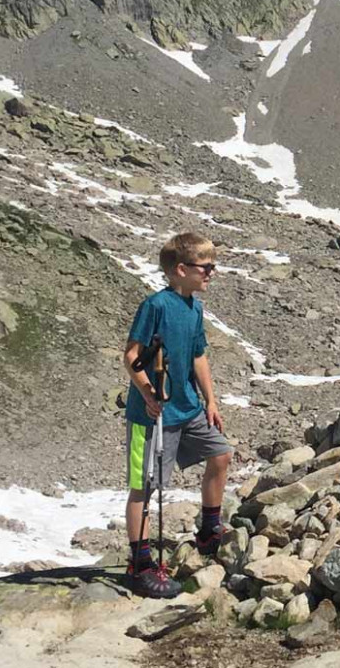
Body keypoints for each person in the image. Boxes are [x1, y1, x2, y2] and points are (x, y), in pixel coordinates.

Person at [120, 232, 233, 599]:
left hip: (189, 408)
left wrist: (211, 401)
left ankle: (209, 530)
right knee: (145, 486)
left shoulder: (195, 308)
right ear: (180, 270)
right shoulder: (155, 306)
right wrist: (148, 393)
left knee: (221, 454)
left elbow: (199, 355)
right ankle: (140, 564)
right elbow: (132, 355)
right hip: (153, 414)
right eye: (206, 267)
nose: (211, 273)